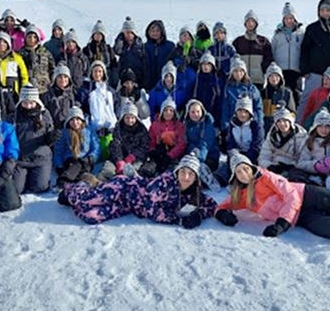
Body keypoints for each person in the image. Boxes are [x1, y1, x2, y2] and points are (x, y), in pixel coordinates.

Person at [60, 154, 217, 230]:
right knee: (86, 200)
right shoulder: (166, 180)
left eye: (191, 174)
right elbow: (151, 210)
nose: (186, 176)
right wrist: (179, 219)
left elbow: (212, 205)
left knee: (90, 217)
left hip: (128, 206)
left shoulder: (194, 195)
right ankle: (79, 187)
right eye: (183, 171)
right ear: (177, 172)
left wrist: (199, 215)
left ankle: (93, 186)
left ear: (196, 178)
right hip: (125, 187)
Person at [13, 85, 58, 194]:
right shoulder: (14, 117)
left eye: (32, 103)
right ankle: (23, 177)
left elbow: (50, 132)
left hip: (41, 158)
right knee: (16, 189)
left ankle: (34, 177)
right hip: (21, 159)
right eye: (25, 103)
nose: (28, 106)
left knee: (40, 187)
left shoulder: (45, 115)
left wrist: (50, 138)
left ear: (37, 102)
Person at [292, 107, 330, 185]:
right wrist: (315, 166)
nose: (324, 130)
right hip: (311, 175)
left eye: (327, 127)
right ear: (316, 127)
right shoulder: (309, 141)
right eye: (320, 126)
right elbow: (300, 163)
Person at [98, 101, 149, 180]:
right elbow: (115, 144)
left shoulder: (141, 129)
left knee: (133, 172)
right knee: (108, 171)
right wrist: (119, 160)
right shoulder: (118, 128)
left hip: (136, 159)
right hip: (119, 158)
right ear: (123, 117)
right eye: (127, 117)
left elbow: (144, 147)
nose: (130, 120)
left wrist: (133, 156)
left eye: (132, 117)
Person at [53, 106, 101, 189]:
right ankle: (89, 181)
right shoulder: (64, 133)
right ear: (68, 121)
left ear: (82, 120)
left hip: (86, 160)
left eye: (77, 119)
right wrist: (59, 165)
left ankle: (65, 180)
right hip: (70, 160)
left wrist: (91, 158)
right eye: (72, 120)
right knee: (77, 165)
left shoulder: (89, 131)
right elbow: (58, 151)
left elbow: (96, 147)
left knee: (80, 164)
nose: (75, 122)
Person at [258, 106, 307, 180]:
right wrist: (270, 166)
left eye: (285, 120)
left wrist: (292, 165)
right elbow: (263, 156)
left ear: (290, 121)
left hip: (294, 167)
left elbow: (304, 157)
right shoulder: (272, 136)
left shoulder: (301, 135)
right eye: (279, 121)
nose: (282, 124)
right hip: (275, 166)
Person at [142, 98, 186, 177]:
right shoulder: (155, 125)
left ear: (174, 112)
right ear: (162, 111)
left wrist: (170, 155)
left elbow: (181, 144)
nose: (168, 113)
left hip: (173, 154)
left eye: (171, 110)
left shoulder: (179, 126)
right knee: (148, 170)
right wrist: (153, 150)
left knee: (170, 172)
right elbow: (151, 140)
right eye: (165, 110)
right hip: (158, 153)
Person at [271, 2, 305, 101]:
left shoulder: (301, 33)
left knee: (296, 94)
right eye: (286, 18)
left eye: (291, 18)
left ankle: (296, 114)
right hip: (281, 70)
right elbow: (273, 50)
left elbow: (304, 50)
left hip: (296, 69)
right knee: (282, 94)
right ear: (283, 19)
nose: (289, 21)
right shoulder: (278, 34)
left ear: (295, 18)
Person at [232, 9, 273, 89]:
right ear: (245, 24)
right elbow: (233, 59)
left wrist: (262, 69)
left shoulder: (263, 41)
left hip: (258, 80)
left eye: (253, 21)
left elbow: (269, 58)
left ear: (256, 24)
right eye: (248, 21)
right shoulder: (238, 41)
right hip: (241, 79)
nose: (250, 24)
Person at [221, 57, 263, 134]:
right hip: (233, 126)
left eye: (241, 71)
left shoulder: (252, 89)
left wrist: (259, 124)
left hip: (250, 126)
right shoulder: (228, 89)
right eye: (235, 71)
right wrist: (225, 127)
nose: (238, 73)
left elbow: (258, 108)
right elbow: (225, 110)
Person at [183, 99, 220, 173]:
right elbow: (189, 142)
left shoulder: (208, 123)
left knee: (201, 170)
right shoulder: (187, 125)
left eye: (198, 111)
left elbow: (206, 143)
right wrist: (192, 152)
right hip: (194, 154)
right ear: (188, 113)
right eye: (192, 112)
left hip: (209, 155)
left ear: (202, 111)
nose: (195, 114)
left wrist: (198, 157)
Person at [260, 62, 296, 132]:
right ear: (267, 78)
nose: (274, 78)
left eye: (276, 76)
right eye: (271, 76)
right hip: (266, 126)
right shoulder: (262, 93)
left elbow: (292, 112)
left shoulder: (287, 92)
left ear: (281, 77)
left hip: (282, 126)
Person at [19, 23, 55, 94]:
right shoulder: (20, 53)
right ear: (25, 38)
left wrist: (50, 81)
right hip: (26, 89)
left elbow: (52, 68)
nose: (32, 39)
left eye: (34, 37)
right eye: (29, 37)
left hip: (44, 89)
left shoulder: (45, 52)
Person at [113, 17, 145, 89]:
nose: (129, 34)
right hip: (122, 78)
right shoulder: (119, 45)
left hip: (137, 77)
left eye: (131, 32)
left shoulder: (140, 45)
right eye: (126, 32)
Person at [83, 20, 118, 88]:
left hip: (107, 78)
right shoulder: (87, 49)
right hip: (91, 77)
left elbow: (114, 65)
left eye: (100, 34)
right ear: (93, 35)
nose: (98, 36)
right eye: (96, 34)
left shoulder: (108, 49)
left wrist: (113, 79)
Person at [143, 19, 175, 91]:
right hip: (148, 82)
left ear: (162, 32)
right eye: (152, 31)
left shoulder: (170, 46)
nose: (155, 33)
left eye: (157, 31)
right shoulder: (144, 47)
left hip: (165, 81)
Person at [42, 64, 77, 129]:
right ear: (55, 79)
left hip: (67, 129)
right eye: (60, 77)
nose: (63, 79)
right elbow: (44, 114)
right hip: (52, 130)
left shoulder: (72, 94)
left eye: (65, 77)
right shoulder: (47, 95)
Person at [192, 52, 222, 123]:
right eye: (203, 64)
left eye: (208, 64)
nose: (206, 67)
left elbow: (220, 99)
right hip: (199, 114)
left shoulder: (217, 80)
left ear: (212, 66)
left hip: (213, 113)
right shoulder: (197, 79)